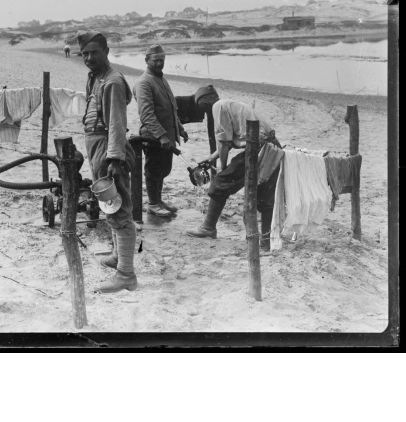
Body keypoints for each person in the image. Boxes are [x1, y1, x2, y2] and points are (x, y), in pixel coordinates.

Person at [77, 30, 138, 293]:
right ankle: (117, 255)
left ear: (107, 52)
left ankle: (126, 274)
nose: (89, 58)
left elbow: (116, 123)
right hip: (96, 146)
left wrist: (115, 157)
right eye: (85, 54)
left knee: (119, 207)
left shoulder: (112, 81)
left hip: (108, 148)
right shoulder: (95, 78)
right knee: (108, 203)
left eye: (94, 53)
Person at [186, 92, 281, 250]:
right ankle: (266, 242)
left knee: (220, 184)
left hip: (258, 148)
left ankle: (208, 228)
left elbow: (224, 144)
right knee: (265, 197)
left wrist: (222, 169)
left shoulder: (218, 107)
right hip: (273, 148)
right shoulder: (229, 104)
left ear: (205, 102)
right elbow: (227, 142)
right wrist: (211, 158)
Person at [133, 44, 188, 217]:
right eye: (156, 60)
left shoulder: (161, 79)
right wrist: (162, 136)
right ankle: (153, 203)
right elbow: (146, 115)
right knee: (154, 170)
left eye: (162, 60)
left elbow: (172, 109)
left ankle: (158, 199)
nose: (159, 64)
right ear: (147, 60)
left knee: (164, 170)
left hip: (167, 137)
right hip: (153, 137)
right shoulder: (144, 83)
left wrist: (180, 129)